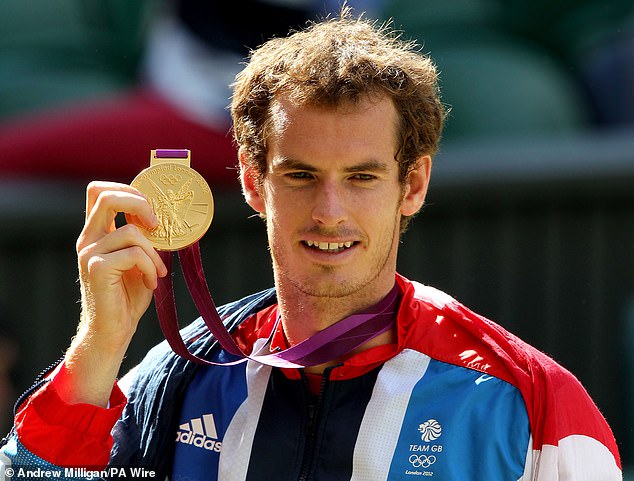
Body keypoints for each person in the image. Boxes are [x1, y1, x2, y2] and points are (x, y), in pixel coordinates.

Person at [0, 8, 622, 480]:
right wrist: (98, 346)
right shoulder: (178, 380)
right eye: (300, 176)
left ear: (413, 185)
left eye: (362, 178)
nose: (330, 212)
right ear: (252, 183)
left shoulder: (530, 403)